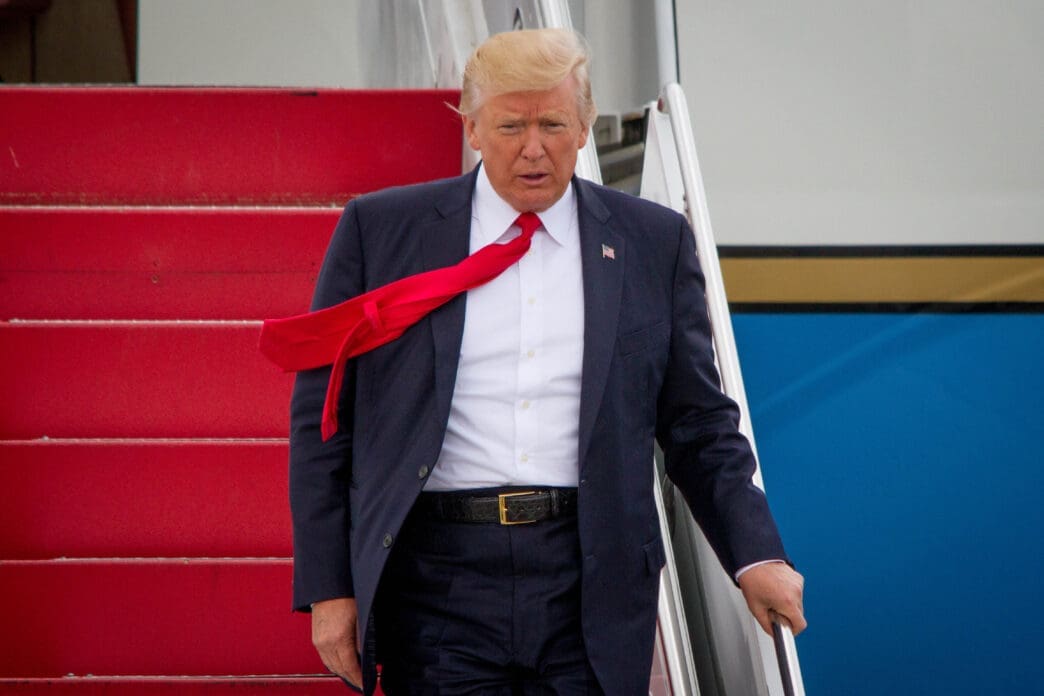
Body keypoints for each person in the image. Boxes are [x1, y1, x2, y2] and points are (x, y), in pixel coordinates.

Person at [283, 27, 805, 695]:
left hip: (590, 573)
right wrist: (328, 587)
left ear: (585, 126)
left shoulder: (652, 242)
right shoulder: (382, 232)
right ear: (472, 127)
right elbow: (325, 423)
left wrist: (755, 553)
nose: (534, 148)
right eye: (511, 125)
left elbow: (700, 426)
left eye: (554, 123)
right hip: (438, 579)